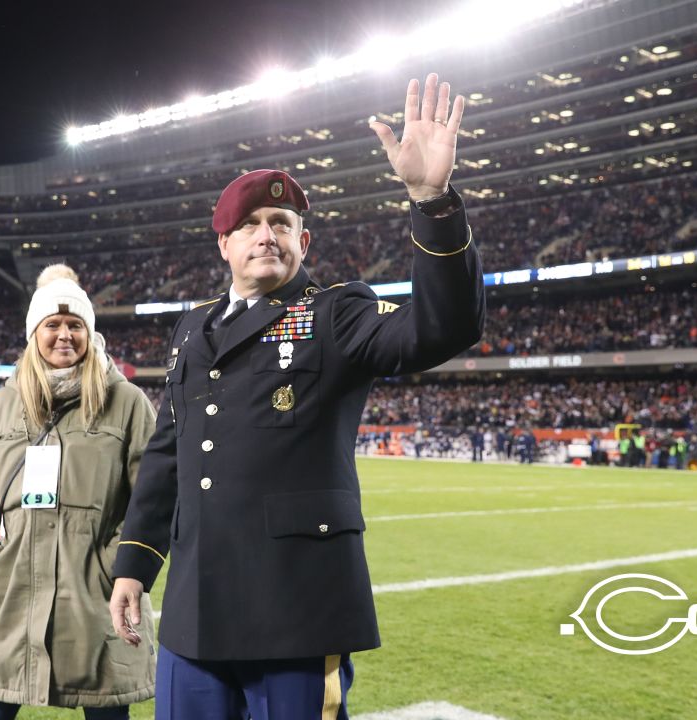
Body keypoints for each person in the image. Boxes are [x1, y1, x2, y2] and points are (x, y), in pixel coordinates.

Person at [109, 74, 483, 718]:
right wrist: (134, 564)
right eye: (249, 225)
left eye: (281, 223)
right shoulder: (191, 328)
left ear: (303, 241)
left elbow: (441, 328)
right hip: (195, 615)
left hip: (298, 612)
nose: (267, 235)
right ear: (223, 245)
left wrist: (432, 198)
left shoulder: (336, 314)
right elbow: (167, 456)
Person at [0, 264, 157, 719]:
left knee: (106, 710)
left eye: (75, 325)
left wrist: (116, 566)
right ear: (33, 333)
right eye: (53, 325)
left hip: (99, 604)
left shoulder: (127, 404)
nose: (65, 335)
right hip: (13, 604)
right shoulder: (2, 405)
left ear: (89, 332)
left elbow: (154, 499)